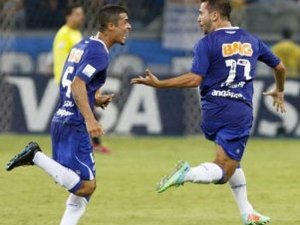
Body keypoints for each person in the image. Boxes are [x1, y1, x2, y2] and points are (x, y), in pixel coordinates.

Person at [131, 0, 286, 225]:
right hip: (237, 111)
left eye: (201, 13)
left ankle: (247, 212)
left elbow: (196, 78)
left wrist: (161, 83)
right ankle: (189, 173)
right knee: (224, 171)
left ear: (215, 16)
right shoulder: (252, 40)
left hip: (212, 110)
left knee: (233, 162)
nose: (197, 18)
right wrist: (279, 89)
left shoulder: (207, 43)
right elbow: (279, 67)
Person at [6, 5, 131, 225]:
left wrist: (95, 98)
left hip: (62, 118)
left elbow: (72, 78)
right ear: (111, 26)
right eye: (125, 22)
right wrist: (90, 118)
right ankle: (36, 156)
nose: (128, 26)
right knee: (87, 186)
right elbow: (77, 83)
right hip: (74, 123)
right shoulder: (100, 53)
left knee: (83, 193)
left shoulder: (83, 44)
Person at [53, 3, 111, 154]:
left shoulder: (77, 35)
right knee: (78, 112)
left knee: (77, 111)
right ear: (68, 16)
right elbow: (69, 60)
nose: (81, 17)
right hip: (69, 80)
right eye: (77, 14)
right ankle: (92, 142)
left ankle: (87, 143)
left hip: (76, 79)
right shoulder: (64, 33)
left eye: (81, 14)